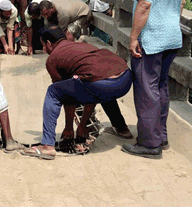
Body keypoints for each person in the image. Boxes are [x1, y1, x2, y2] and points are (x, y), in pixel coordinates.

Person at [122, 0, 188, 159]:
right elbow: (181, 2)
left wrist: (133, 37)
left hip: (151, 37)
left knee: (146, 88)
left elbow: (144, 4)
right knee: (160, 87)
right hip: (172, 35)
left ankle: (149, 143)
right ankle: (160, 136)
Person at [21, 27, 132, 160]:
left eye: (44, 45)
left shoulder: (53, 59)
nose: (44, 49)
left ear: (49, 43)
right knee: (102, 84)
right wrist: (82, 125)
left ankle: (47, 146)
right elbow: (91, 90)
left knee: (53, 91)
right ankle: (122, 128)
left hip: (101, 84)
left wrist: (70, 127)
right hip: (125, 79)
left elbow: (67, 96)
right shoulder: (82, 45)